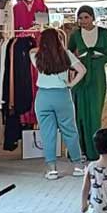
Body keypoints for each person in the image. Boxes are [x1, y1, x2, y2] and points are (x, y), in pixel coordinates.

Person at [32, 27, 87, 179]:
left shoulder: (36, 56)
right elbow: (82, 70)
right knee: (70, 131)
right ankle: (78, 166)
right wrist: (71, 84)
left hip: (42, 97)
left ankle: (52, 169)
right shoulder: (66, 55)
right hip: (62, 95)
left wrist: (44, 46)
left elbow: (33, 50)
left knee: (47, 134)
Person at [69, 5, 107, 161]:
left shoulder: (104, 33)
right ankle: (79, 149)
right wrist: (78, 64)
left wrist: (96, 61)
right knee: (79, 113)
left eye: (86, 17)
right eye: (80, 18)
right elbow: (69, 54)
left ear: (93, 17)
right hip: (80, 78)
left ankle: (96, 149)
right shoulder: (75, 35)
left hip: (97, 77)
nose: (83, 21)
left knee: (95, 112)